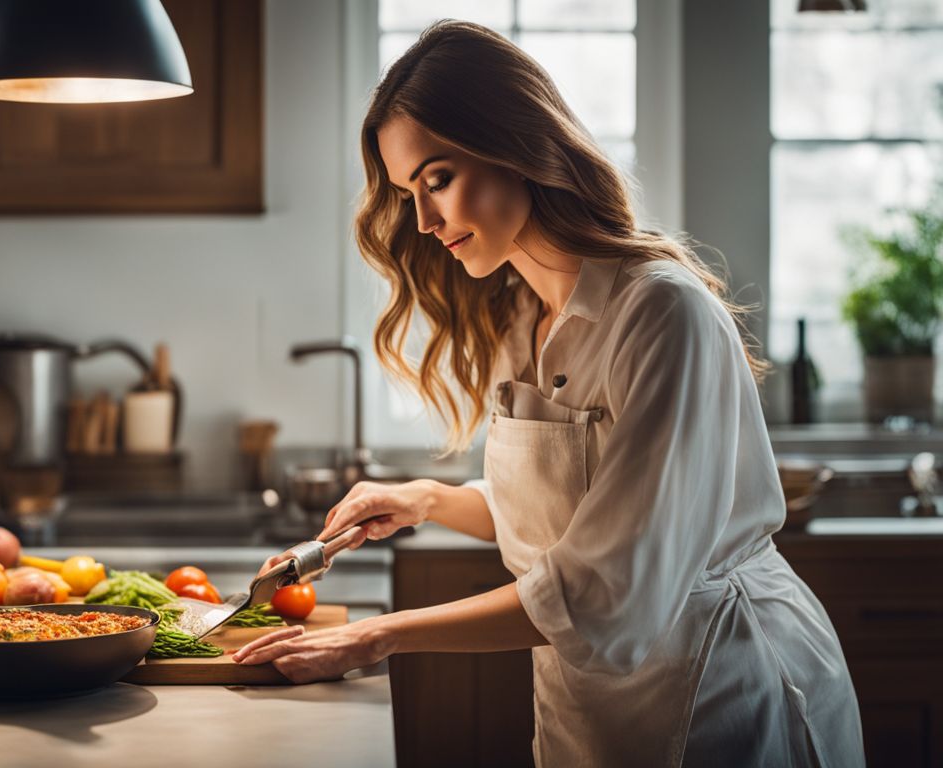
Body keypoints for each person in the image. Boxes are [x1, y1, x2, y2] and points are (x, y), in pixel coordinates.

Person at [232, 21, 864, 768]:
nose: (426, 221)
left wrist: (380, 634)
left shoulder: (664, 313)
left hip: (721, 693)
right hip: (591, 705)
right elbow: (571, 513)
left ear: (517, 144)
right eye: (411, 193)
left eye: (438, 178)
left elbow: (607, 587)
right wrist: (428, 498)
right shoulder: (522, 316)